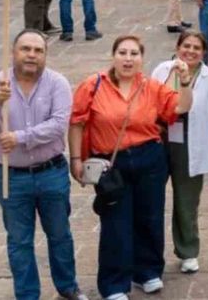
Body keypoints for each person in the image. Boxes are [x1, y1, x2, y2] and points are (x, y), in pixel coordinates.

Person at [0, 29, 88, 300]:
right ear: (13, 52)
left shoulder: (57, 83)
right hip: (11, 175)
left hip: (51, 172)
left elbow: (57, 125)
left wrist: (18, 137)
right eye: (26, 49)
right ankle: (27, 295)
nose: (32, 55)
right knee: (19, 241)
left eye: (38, 50)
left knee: (60, 235)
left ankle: (68, 286)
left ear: (45, 55)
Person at [69, 35, 192, 299]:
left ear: (141, 59)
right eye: (122, 52)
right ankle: (114, 284)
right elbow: (77, 122)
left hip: (149, 157)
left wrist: (184, 81)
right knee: (116, 222)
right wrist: (76, 159)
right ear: (113, 56)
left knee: (150, 217)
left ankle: (147, 272)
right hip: (111, 164)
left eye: (134, 54)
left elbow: (180, 107)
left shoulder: (151, 87)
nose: (128, 58)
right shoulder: (93, 85)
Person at [149, 31, 208, 274]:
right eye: (186, 45)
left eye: (197, 48)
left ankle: (187, 251)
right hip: (160, 137)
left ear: (204, 52)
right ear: (178, 47)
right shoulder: (162, 70)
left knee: (186, 200)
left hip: (190, 142)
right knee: (151, 199)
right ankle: (149, 254)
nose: (191, 51)